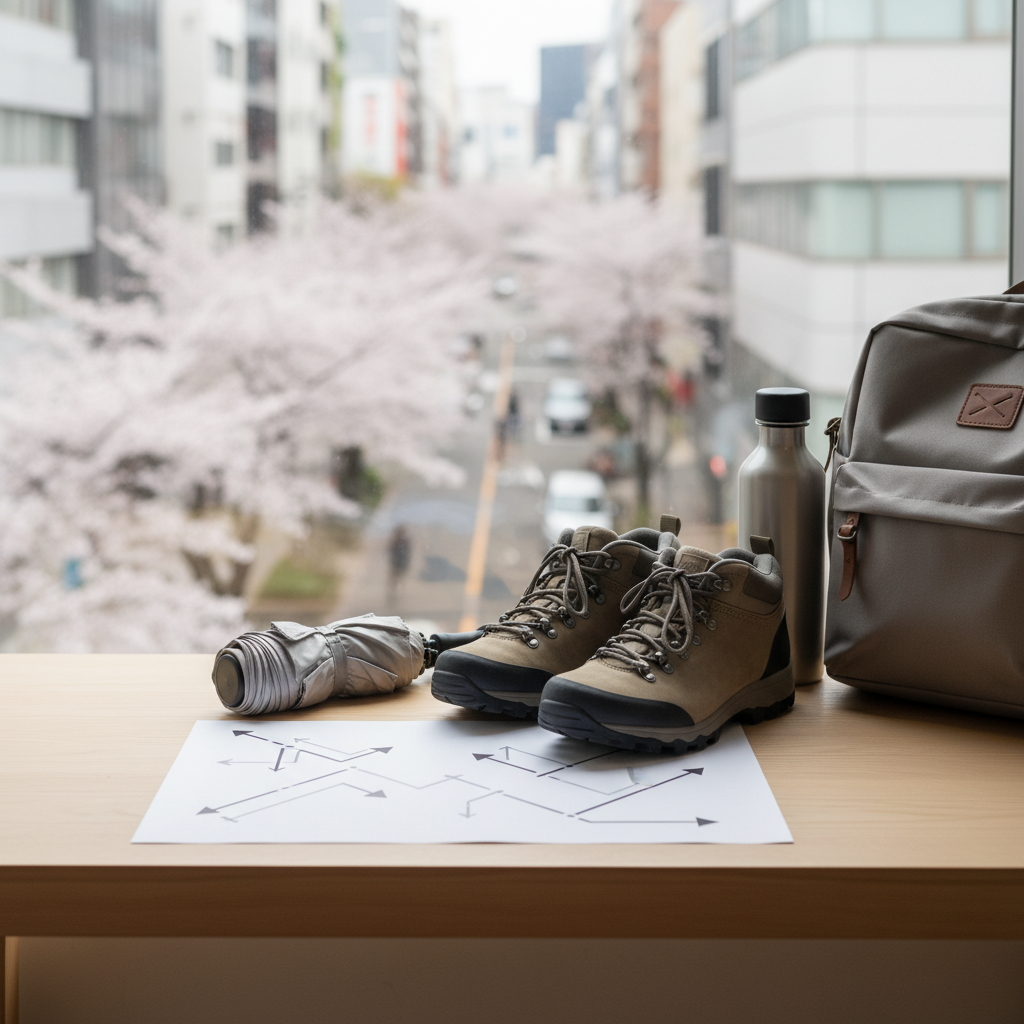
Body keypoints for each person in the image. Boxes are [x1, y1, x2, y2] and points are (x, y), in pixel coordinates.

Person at [386, 524, 412, 607]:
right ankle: (394, 597)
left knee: (398, 580)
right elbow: (390, 551)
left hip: (401, 563)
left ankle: (398, 596)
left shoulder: (405, 541)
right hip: (396, 563)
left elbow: (408, 553)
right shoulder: (396, 541)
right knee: (395, 580)